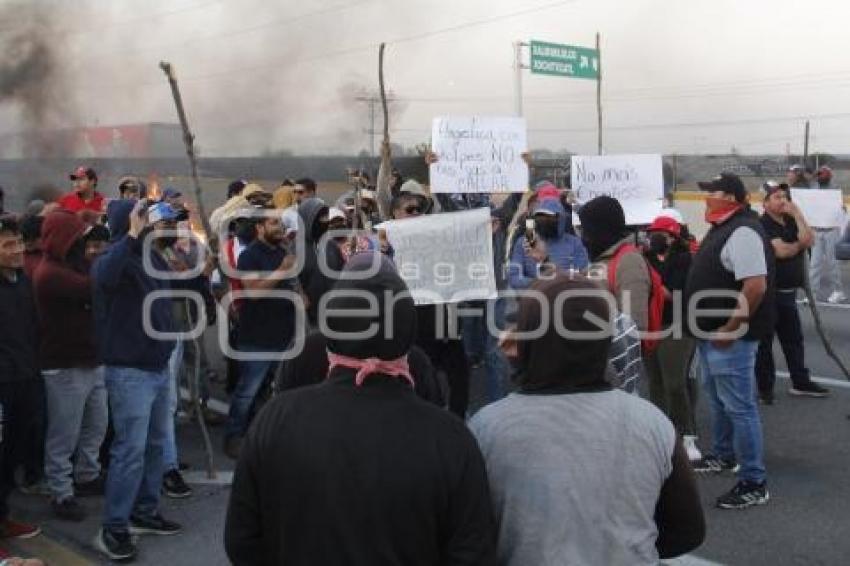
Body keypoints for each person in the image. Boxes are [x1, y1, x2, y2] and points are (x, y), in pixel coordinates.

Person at [224, 253, 496, 565]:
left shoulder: (275, 418)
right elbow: (473, 552)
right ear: (408, 331)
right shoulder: (449, 438)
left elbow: (242, 541)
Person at [470, 275, 705, 565]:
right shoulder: (653, 423)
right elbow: (688, 531)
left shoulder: (487, 428)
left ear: (528, 338)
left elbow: (472, 537)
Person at [92, 199, 182, 561]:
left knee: (155, 445)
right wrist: (130, 231)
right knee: (129, 450)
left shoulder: (152, 257)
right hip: (130, 372)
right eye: (143, 218)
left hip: (157, 367)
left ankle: (144, 512)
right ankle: (114, 527)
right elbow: (104, 278)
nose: (149, 224)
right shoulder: (116, 257)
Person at [685, 172, 774, 509]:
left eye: (713, 192)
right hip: (712, 334)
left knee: (740, 406)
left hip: (729, 337)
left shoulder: (744, 231)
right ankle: (723, 455)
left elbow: (755, 286)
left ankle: (754, 481)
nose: (707, 197)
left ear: (732, 198)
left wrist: (730, 326)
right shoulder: (726, 227)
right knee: (719, 399)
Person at [32, 210, 108, 522]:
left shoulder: (70, 265)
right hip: (65, 366)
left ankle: (87, 475)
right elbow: (95, 288)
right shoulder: (51, 273)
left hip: (89, 359)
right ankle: (61, 492)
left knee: (96, 425)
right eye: (78, 237)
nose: (84, 242)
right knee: (64, 435)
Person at [390, 193, 472, 417]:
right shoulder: (386, 246)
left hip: (448, 325)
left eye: (419, 210)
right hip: (414, 329)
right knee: (423, 384)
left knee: (460, 381)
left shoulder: (437, 238)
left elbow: (458, 222)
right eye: (410, 210)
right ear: (395, 215)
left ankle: (457, 424)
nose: (416, 214)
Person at [225, 209, 298, 459]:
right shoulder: (249, 256)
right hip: (257, 336)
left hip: (284, 334)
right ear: (259, 228)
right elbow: (254, 292)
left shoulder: (282, 254)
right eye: (273, 222)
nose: (280, 227)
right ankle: (234, 435)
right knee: (247, 391)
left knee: (276, 389)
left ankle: (267, 435)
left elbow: (291, 286)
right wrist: (281, 271)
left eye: (280, 222)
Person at [756, 182, 828, 401]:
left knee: (793, 340)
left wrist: (797, 214)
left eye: (785, 196)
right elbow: (782, 251)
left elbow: (810, 239)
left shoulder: (790, 219)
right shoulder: (762, 224)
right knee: (765, 345)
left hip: (788, 294)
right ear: (765, 202)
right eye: (777, 197)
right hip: (769, 294)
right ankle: (765, 390)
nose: (783, 200)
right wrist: (799, 244)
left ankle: (801, 382)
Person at [643, 214, 702, 462]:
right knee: (655, 383)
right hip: (651, 324)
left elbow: (673, 294)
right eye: (652, 233)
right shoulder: (644, 258)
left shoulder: (684, 260)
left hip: (677, 325)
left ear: (673, 237)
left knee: (675, 384)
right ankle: (661, 432)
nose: (655, 237)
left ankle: (687, 435)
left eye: (661, 234)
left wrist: (650, 283)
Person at [0, 214, 42, 543]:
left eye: (18, 243)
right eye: (8, 245)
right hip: (3, 384)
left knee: (13, 453)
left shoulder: (23, 281)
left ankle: (3, 516)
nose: (17, 250)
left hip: (26, 378)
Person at [578, 196, 652, 334]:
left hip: (616, 353)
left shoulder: (629, 262)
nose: (584, 239)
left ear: (602, 229)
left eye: (586, 230)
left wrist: (586, 317)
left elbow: (635, 327)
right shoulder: (604, 258)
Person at [508, 198, 589, 289]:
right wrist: (540, 283)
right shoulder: (524, 242)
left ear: (561, 219)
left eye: (550, 218)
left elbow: (582, 277)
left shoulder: (574, 243)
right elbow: (514, 278)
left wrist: (552, 280)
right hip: (533, 298)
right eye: (541, 217)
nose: (545, 221)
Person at [297, 197, 340, 325]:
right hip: (305, 319)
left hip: (332, 314)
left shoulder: (331, 245)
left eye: (327, 217)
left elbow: (341, 274)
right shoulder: (293, 248)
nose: (325, 221)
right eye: (321, 217)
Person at [808, 165, 845, 303]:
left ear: (828, 176)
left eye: (822, 174)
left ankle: (838, 291)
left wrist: (841, 208)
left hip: (831, 230)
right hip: (817, 230)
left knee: (832, 263)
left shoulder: (834, 189)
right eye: (818, 175)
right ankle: (812, 293)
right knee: (814, 264)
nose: (819, 177)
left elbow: (840, 208)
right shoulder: (813, 188)